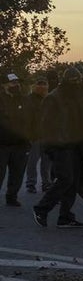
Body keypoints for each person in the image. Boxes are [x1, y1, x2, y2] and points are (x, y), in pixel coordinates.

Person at [32, 66, 83, 228]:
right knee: (65, 178)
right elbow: (46, 124)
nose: (78, 84)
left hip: (75, 144)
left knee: (73, 181)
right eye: (75, 81)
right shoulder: (53, 98)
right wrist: (52, 145)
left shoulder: (76, 97)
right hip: (59, 145)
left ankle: (65, 216)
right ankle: (41, 208)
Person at [0, 72, 30, 207]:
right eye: (13, 83)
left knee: (17, 173)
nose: (16, 85)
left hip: (21, 144)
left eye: (17, 82)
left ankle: (11, 197)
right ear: (4, 85)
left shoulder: (24, 99)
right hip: (2, 144)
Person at [24, 78, 51, 193]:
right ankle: (31, 183)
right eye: (40, 85)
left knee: (46, 162)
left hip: (47, 136)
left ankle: (46, 183)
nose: (42, 87)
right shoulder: (29, 99)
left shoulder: (49, 99)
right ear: (35, 86)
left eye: (44, 85)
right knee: (32, 161)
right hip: (34, 136)